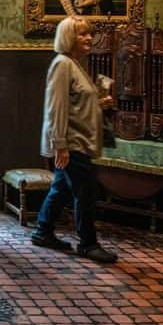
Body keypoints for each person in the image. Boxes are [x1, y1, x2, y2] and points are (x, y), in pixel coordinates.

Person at [30, 16, 118, 264]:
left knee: (61, 188)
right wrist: (60, 145)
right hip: (72, 142)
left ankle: (43, 231)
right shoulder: (62, 65)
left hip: (79, 140)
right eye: (82, 34)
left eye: (89, 33)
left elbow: (77, 104)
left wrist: (100, 103)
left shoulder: (76, 64)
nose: (89, 37)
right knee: (86, 193)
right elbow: (56, 108)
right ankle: (88, 244)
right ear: (69, 37)